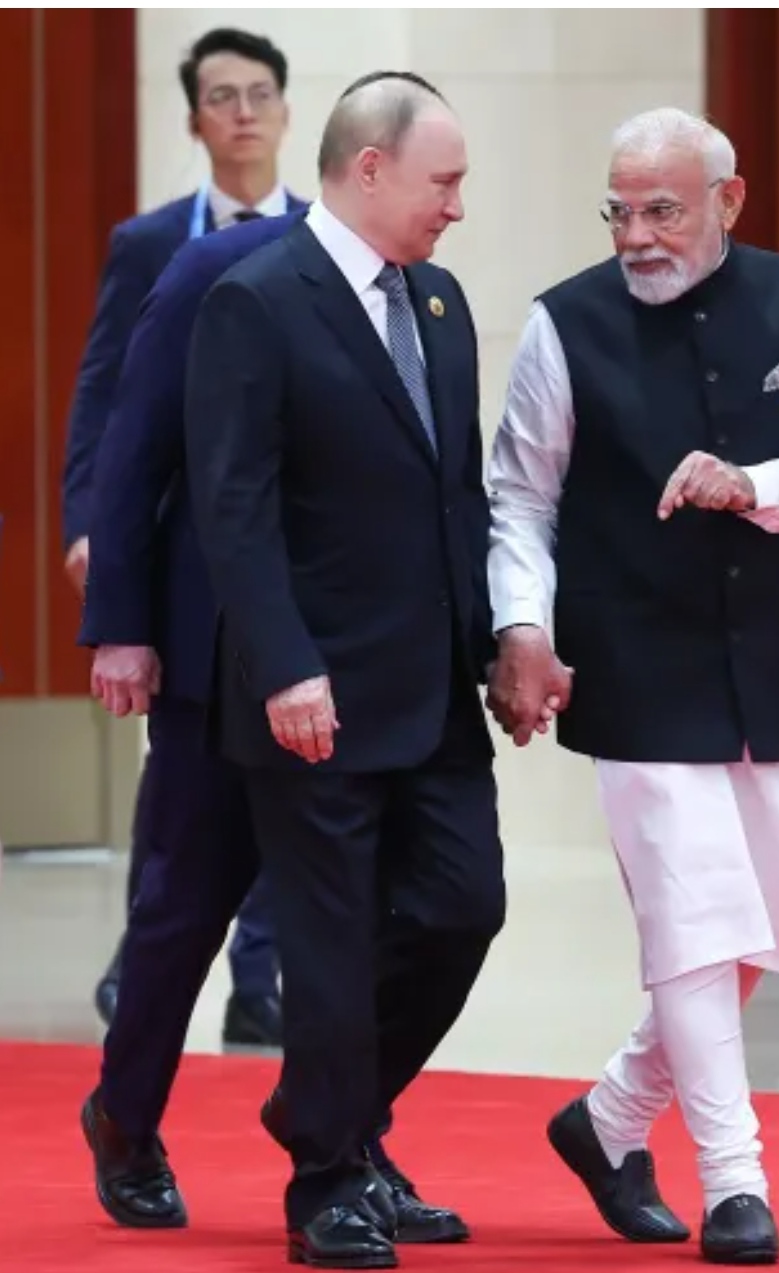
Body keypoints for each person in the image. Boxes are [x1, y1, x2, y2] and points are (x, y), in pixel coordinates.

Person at [485, 107, 779, 1265]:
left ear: (728, 202)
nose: (636, 235)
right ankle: (734, 1181)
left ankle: (609, 1117)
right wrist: (521, 628)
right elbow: (518, 499)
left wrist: (756, 483)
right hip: (634, 667)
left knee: (761, 924)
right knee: (693, 919)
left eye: (662, 210)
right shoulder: (564, 324)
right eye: (618, 212)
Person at [79, 151, 469, 1245]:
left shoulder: (420, 292)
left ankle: (347, 1136)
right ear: (368, 169)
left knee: (369, 913)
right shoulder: (221, 269)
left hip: (358, 670)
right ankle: (125, 1117)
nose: (454, 207)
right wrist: (122, 622)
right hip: (215, 658)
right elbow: (135, 442)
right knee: (187, 903)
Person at [184, 74, 504, 1270]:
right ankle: (328, 1180)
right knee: (327, 939)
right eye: (444, 182)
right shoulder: (255, 299)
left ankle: (332, 1115)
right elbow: (233, 506)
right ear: (370, 168)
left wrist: (498, 644)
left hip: (435, 687)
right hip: (310, 693)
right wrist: (283, 665)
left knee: (464, 906)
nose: (457, 207)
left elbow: (457, 494)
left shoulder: (441, 302)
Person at [61, 25, 301, 1045]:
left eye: (258, 94)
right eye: (220, 97)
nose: (242, 113)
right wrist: (90, 528)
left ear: (285, 111)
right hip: (178, 552)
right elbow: (106, 399)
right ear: (195, 118)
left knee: (288, 762)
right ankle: (146, 961)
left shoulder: (316, 240)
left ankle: (260, 976)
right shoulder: (149, 243)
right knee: (182, 771)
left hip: (291, 556)